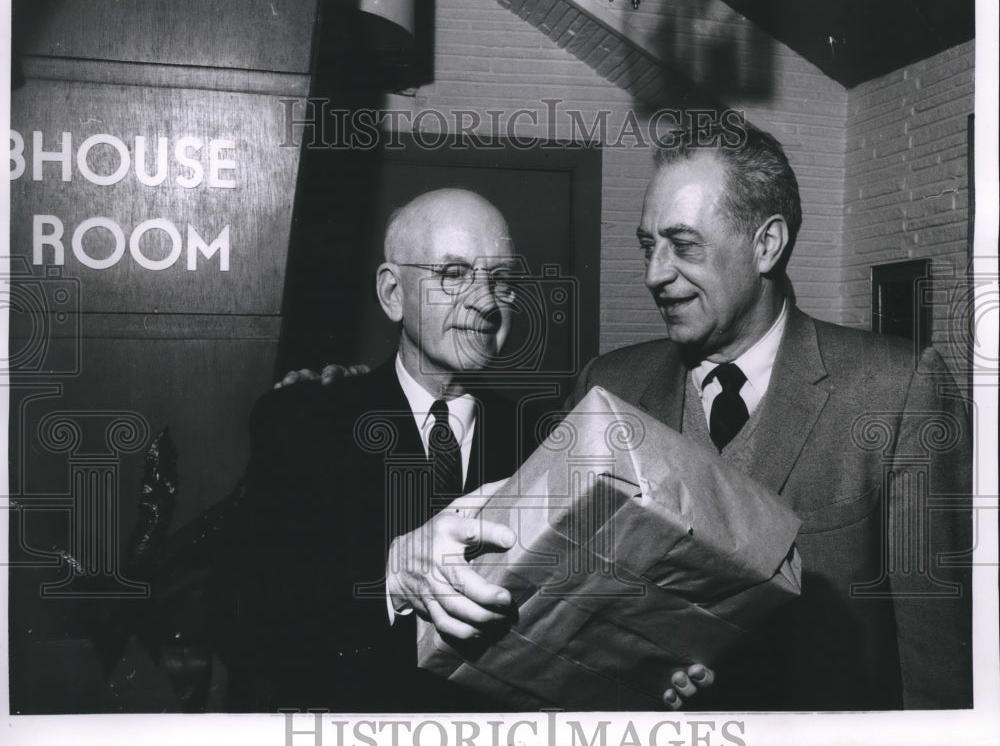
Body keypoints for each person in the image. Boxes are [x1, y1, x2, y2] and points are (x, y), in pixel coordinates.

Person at [211, 188, 711, 711]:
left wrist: (649, 668)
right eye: (453, 275)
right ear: (392, 293)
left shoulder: (548, 439)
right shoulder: (302, 423)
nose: (485, 302)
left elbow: (580, 621)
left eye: (501, 281)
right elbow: (236, 616)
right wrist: (390, 582)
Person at [568, 122, 972, 710]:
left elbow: (935, 657)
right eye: (646, 245)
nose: (654, 273)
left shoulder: (898, 388)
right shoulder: (607, 387)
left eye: (683, 245)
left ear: (767, 244)